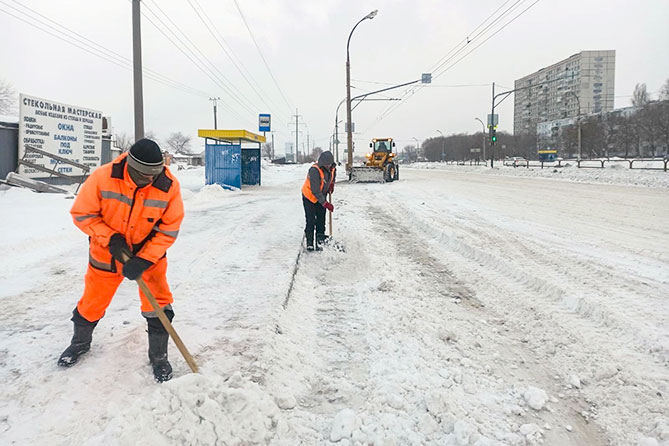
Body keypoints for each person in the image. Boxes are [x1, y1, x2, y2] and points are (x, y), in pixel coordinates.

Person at [58, 138, 184, 383]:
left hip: (150, 258)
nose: (149, 180)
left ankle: (159, 357)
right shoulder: (103, 177)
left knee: (158, 305)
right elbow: (82, 214)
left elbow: (169, 229)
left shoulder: (168, 186)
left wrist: (146, 258)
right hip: (107, 254)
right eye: (143, 175)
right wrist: (110, 237)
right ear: (129, 166)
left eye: (154, 175)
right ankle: (79, 343)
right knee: (92, 303)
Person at [301, 151, 336, 251]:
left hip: (321, 195)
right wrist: (325, 203)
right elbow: (315, 190)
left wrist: (331, 185)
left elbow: (332, 177)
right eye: (326, 164)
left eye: (329, 164)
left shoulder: (333, 168)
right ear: (322, 163)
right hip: (309, 196)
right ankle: (310, 242)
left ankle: (320, 242)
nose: (328, 166)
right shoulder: (314, 170)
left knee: (321, 220)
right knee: (311, 220)